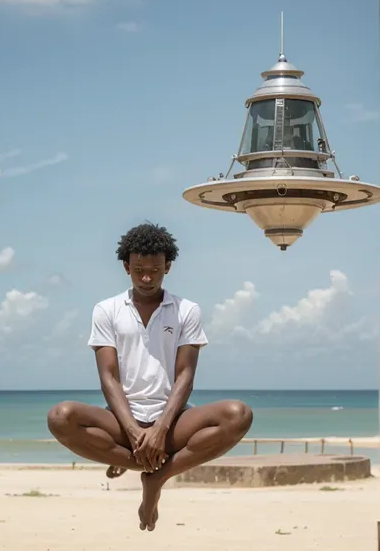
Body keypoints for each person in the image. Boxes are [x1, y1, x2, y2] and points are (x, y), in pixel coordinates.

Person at [47, 223, 253, 531]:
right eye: (138, 270)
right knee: (61, 417)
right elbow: (109, 376)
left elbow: (185, 374)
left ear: (167, 267)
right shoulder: (106, 309)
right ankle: (132, 460)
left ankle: (158, 475)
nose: (146, 278)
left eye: (154, 270)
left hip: (172, 421)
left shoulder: (186, 310)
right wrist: (132, 431)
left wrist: (160, 428)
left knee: (238, 415)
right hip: (120, 420)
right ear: (126, 266)